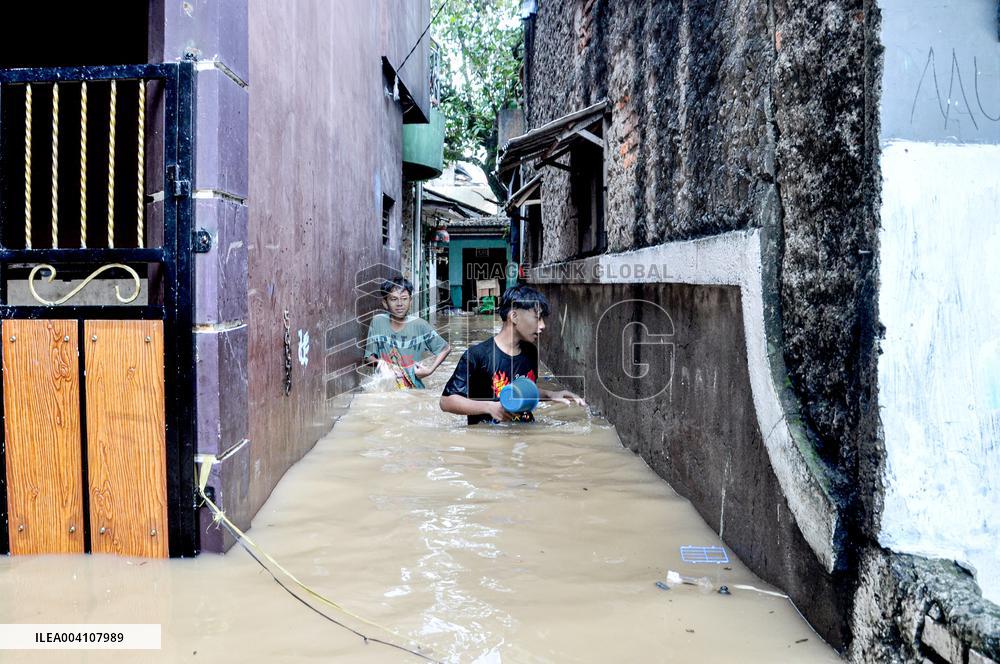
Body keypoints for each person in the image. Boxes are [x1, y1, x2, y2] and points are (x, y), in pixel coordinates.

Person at [439, 285, 585, 424]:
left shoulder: (531, 352)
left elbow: (523, 392)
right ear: (514, 316)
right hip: (489, 436)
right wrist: (489, 407)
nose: (543, 326)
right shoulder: (477, 355)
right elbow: (446, 402)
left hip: (524, 433)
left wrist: (550, 395)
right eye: (537, 318)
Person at [364, 276, 451, 389]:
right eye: (394, 299)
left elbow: (445, 348)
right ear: (385, 303)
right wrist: (381, 363)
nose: (400, 304)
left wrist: (430, 370)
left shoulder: (420, 325)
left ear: (410, 301)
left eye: (404, 299)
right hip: (386, 388)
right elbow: (368, 358)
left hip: (414, 389)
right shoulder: (377, 322)